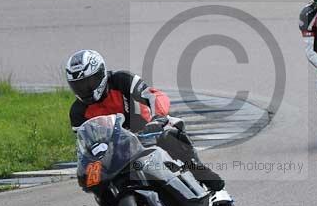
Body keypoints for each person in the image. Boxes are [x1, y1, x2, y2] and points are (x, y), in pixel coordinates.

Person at [65, 49, 224, 191]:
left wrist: (158, 118)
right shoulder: (77, 112)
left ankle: (199, 171)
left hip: (148, 132)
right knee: (98, 184)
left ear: (101, 74)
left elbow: (154, 95)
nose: (84, 89)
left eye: (88, 83)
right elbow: (85, 144)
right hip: (119, 151)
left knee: (170, 132)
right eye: (78, 85)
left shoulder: (121, 80)